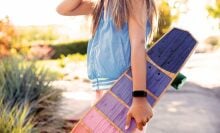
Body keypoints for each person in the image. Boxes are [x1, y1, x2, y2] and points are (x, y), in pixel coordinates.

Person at [56, 0, 158, 132]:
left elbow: (138, 44)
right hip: (102, 89)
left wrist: (139, 99)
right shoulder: (101, 5)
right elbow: (62, 10)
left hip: (123, 87)